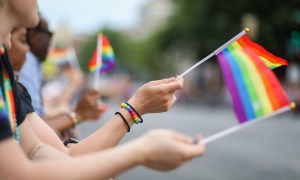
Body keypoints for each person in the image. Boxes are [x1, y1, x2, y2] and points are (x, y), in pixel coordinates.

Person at [0, 0, 206, 179]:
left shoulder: (4, 71)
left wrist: (136, 107)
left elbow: (57, 156)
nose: (27, 50)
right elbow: (18, 174)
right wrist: (141, 151)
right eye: (23, 39)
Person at [19, 15, 107, 141]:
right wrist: (77, 115)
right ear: (34, 36)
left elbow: (37, 119)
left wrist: (75, 113)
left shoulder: (32, 62)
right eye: (22, 39)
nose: (51, 43)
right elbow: (32, 132)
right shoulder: (28, 61)